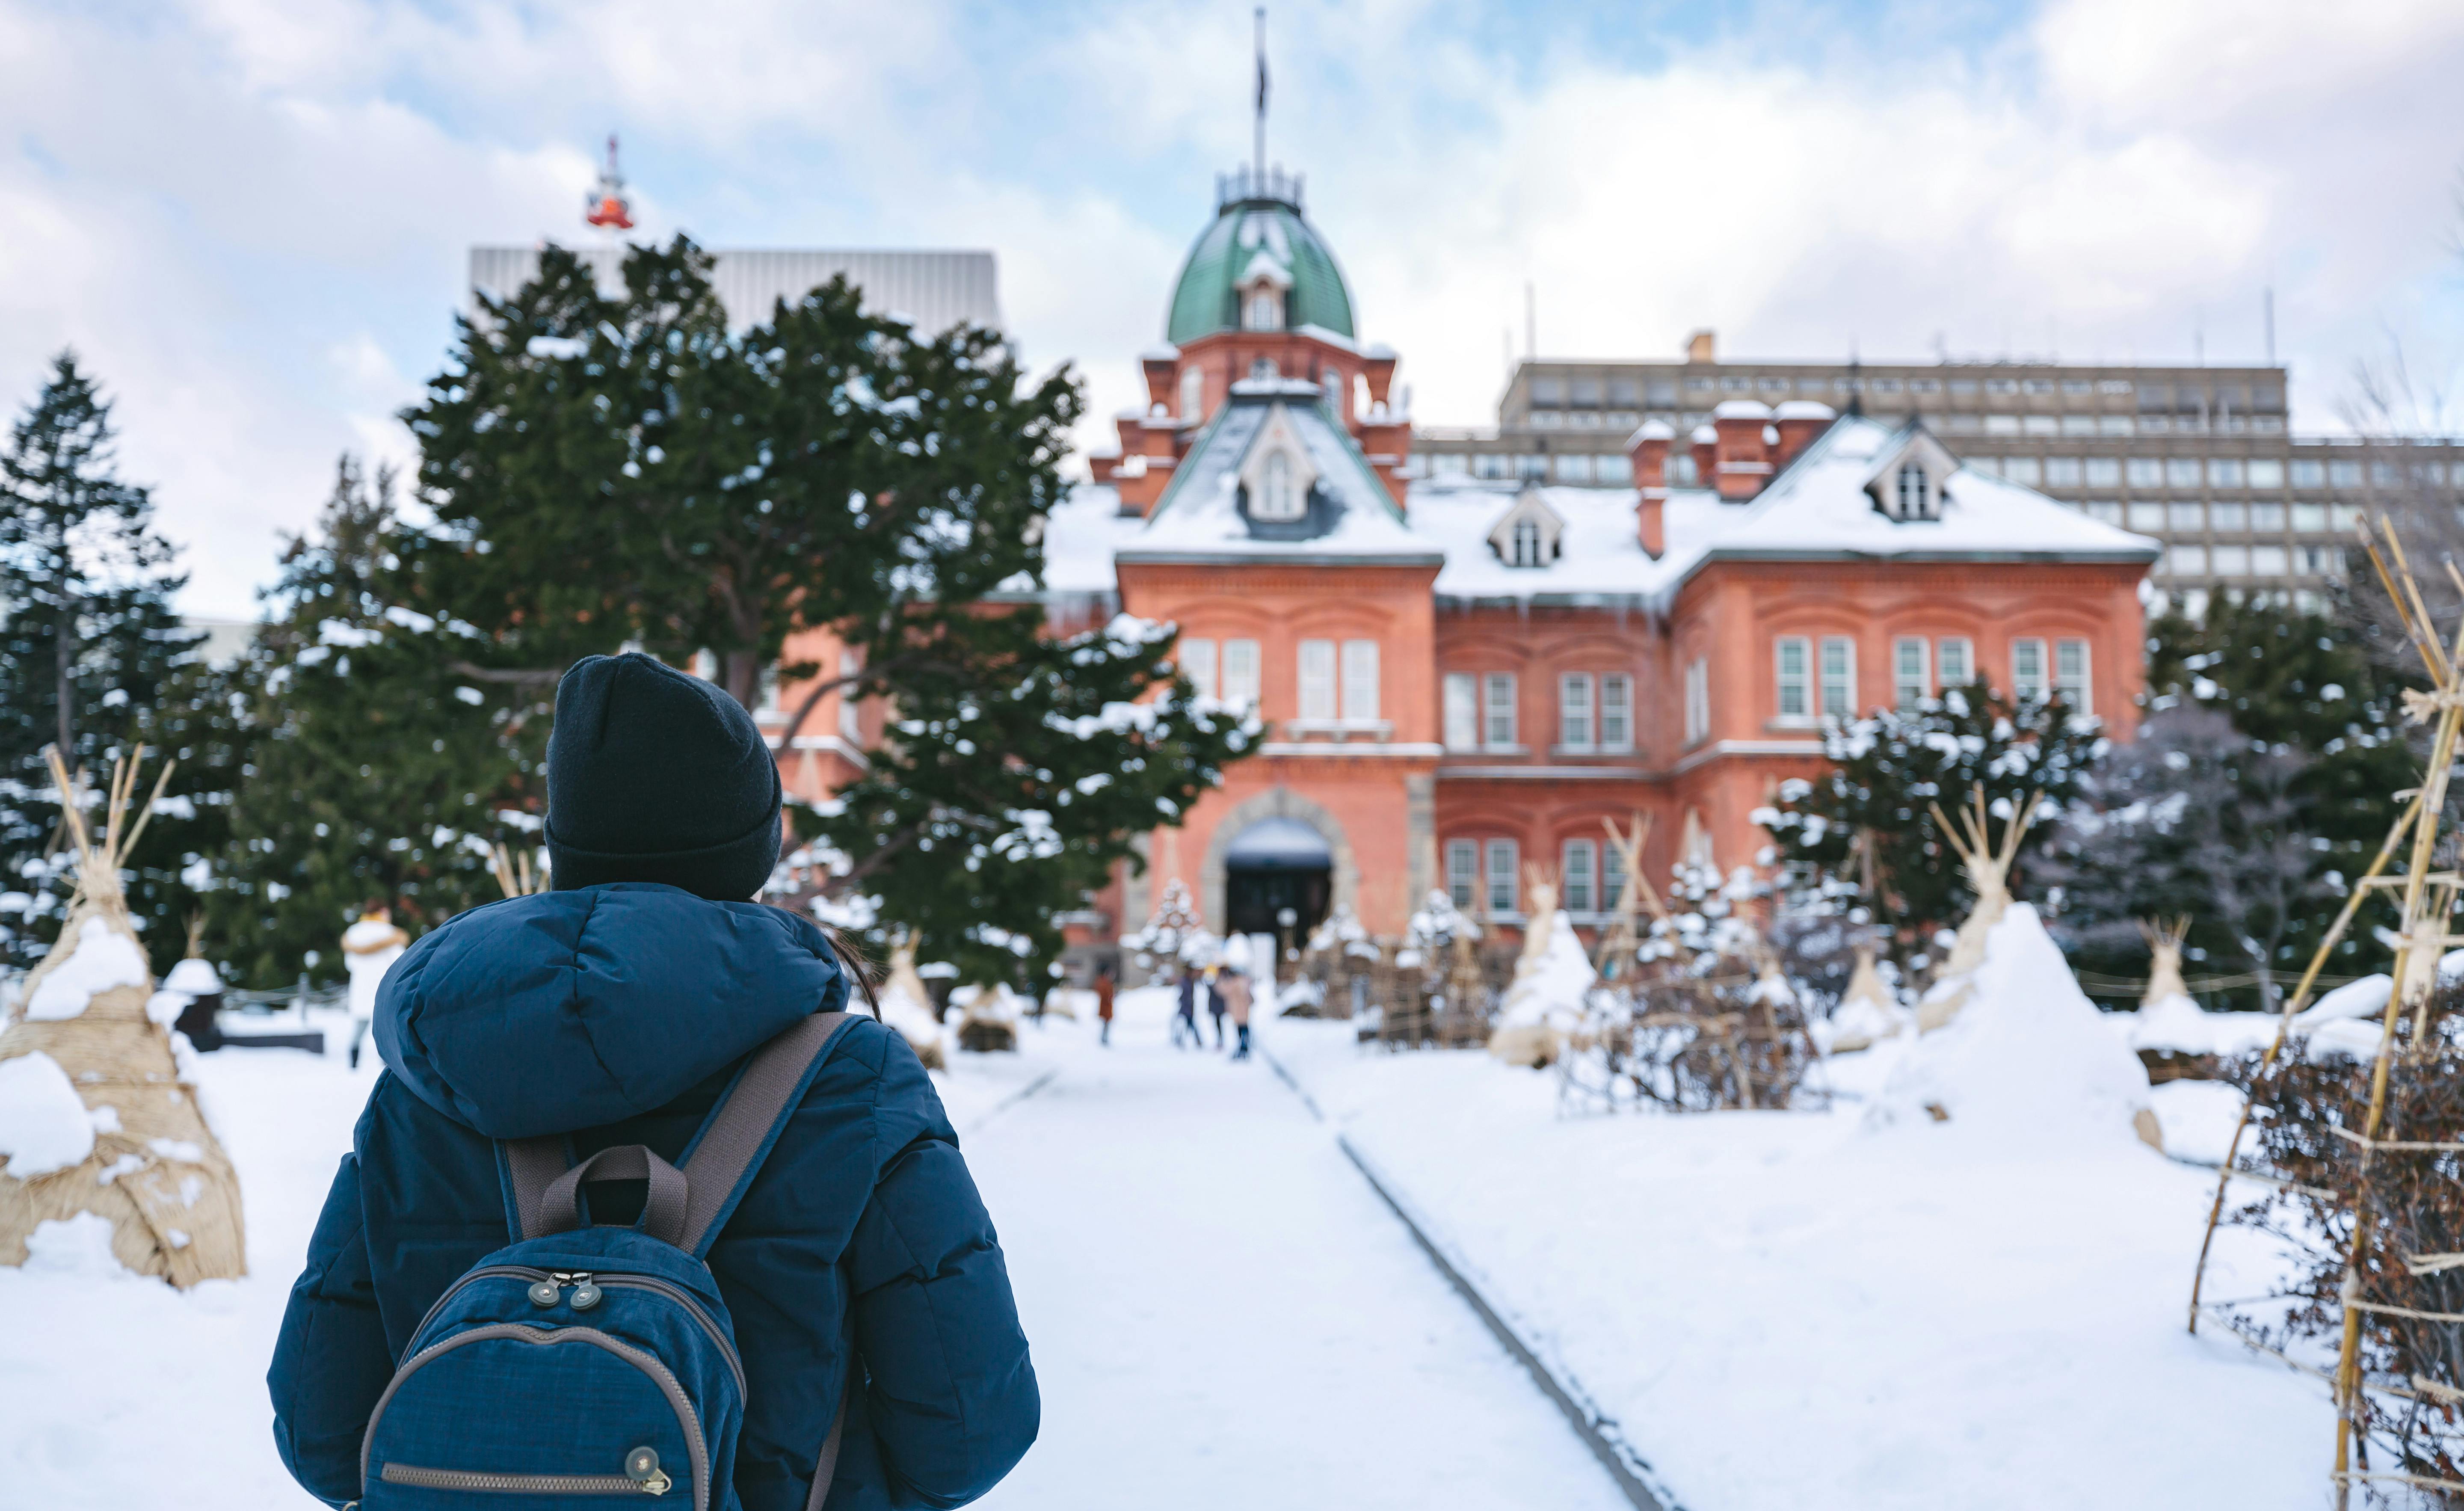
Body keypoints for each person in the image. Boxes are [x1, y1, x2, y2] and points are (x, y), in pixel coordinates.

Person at [268, 652, 1037, 1511]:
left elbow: (323, 1433)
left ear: (565, 839)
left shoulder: (431, 1077)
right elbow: (969, 1431)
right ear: (754, 841)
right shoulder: (851, 1078)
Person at [338, 901, 408, 1069]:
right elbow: (400, 962)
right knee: (385, 1030)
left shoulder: (353, 933)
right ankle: (386, 1065)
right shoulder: (390, 933)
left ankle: (353, 1064)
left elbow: (350, 964)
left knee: (359, 1029)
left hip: (361, 988)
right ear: (383, 912)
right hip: (383, 988)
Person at [1222, 965, 1254, 1060]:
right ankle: (1243, 1047)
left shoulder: (1237, 983)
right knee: (1243, 1029)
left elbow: (1224, 990)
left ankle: (1244, 1048)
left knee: (1243, 1029)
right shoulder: (1244, 982)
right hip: (1241, 1011)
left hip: (1239, 1011)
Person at [1174, 967, 1202, 1049]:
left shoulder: (1190, 981)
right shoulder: (1186, 982)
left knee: (1189, 1024)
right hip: (1186, 1008)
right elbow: (1184, 996)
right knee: (1189, 1024)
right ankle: (1181, 1039)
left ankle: (1180, 1039)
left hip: (1189, 1008)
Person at [1205, 963, 1227, 1049]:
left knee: (1219, 1025)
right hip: (1216, 1007)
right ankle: (1220, 1041)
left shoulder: (1219, 982)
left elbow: (1220, 993)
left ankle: (1220, 1041)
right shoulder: (1216, 981)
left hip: (1218, 1008)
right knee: (1218, 1025)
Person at [1095, 963, 1116, 1046]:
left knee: (1106, 1025)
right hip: (1105, 1007)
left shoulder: (1105, 982)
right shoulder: (1104, 983)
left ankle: (1104, 1039)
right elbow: (1106, 996)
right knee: (1105, 1024)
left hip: (1107, 1007)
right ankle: (1104, 1040)